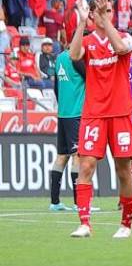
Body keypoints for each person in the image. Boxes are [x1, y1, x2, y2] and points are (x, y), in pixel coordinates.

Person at [68, 0, 132, 238]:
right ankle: (84, 223)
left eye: (109, 10)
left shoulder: (125, 37)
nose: (105, 14)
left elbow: (121, 48)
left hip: (120, 113)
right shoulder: (88, 41)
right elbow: (73, 55)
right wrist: (81, 22)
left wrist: (104, 19)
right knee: (86, 166)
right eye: (100, 11)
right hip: (94, 113)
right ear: (91, 15)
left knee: (123, 170)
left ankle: (126, 224)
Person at [49, 37, 86, 212]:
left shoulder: (59, 58)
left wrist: (63, 103)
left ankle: (55, 202)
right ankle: (79, 203)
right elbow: (92, 80)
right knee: (77, 156)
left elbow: (56, 87)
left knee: (62, 156)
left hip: (63, 113)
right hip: (76, 112)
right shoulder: (77, 58)